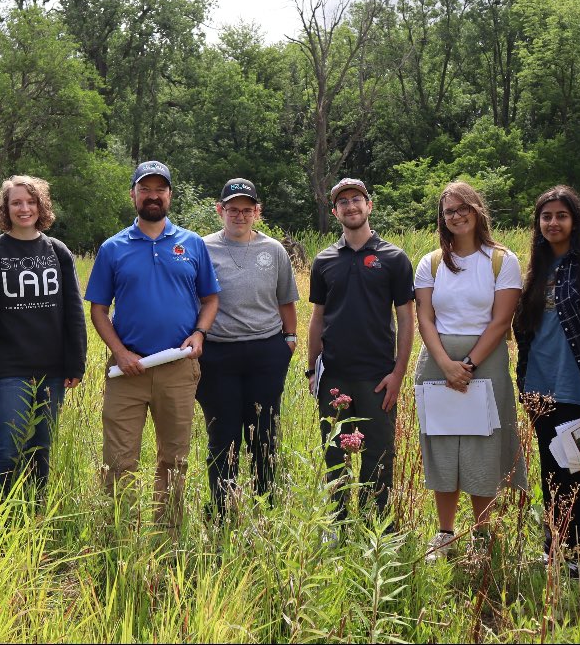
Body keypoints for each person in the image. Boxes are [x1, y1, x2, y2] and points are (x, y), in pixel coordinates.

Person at [84, 160, 220, 533]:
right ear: (133, 195)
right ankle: (119, 532)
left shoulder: (191, 243)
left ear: (169, 195)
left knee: (174, 458)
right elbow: (98, 310)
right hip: (128, 369)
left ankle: (168, 533)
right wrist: (121, 352)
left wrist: (200, 333)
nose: (153, 195)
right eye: (145, 189)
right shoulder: (113, 248)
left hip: (178, 367)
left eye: (160, 189)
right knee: (118, 459)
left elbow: (210, 299)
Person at [414, 181, 525, 560]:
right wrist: (446, 364)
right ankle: (444, 535)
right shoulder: (429, 263)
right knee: (443, 446)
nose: (457, 215)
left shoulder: (501, 259)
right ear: (442, 219)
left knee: (483, 446)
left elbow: (500, 320)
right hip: (438, 360)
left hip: (486, 360)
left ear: (478, 211)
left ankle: (481, 537)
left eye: (464, 208)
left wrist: (470, 364)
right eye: (449, 211)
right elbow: (425, 318)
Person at [513, 186, 580, 576]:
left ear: (575, 220)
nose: (553, 223)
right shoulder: (536, 269)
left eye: (561, 215)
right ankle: (556, 547)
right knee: (551, 471)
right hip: (538, 388)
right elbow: (528, 333)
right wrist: (523, 386)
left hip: (578, 389)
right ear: (538, 224)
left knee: (575, 469)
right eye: (546, 217)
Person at [0, 176, 87, 506]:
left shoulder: (57, 251)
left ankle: (34, 515)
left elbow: (73, 311)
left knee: (41, 449)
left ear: (41, 206)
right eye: (16, 203)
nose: (24, 208)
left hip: (52, 370)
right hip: (9, 371)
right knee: (9, 447)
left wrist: (76, 362)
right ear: (5, 209)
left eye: (31, 202)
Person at [306, 178, 415, 526]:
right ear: (334, 211)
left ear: (369, 206)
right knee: (335, 457)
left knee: (378, 458)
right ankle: (336, 526)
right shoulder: (324, 261)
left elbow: (406, 319)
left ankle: (376, 527)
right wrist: (312, 371)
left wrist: (398, 374)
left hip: (377, 377)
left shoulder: (394, 258)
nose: (351, 206)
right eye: (343, 202)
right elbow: (317, 318)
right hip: (334, 376)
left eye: (357, 200)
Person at [198, 178, 300, 520]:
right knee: (223, 435)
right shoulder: (202, 248)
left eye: (246, 209)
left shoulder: (274, 250)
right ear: (220, 210)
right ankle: (221, 511)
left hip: (266, 353)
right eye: (232, 209)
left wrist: (289, 340)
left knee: (264, 433)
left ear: (257, 212)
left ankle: (265, 509)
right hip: (217, 354)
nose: (239, 216)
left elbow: (286, 300)